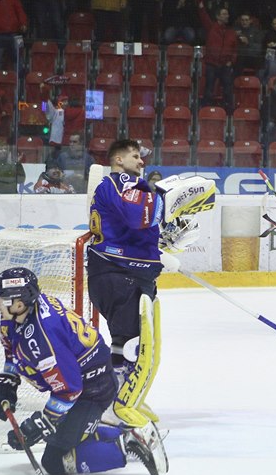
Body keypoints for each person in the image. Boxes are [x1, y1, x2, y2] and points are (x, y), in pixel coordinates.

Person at [0, 267, 168, 475]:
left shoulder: (42, 337)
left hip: (94, 390)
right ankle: (95, 429)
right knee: (56, 433)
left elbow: (69, 390)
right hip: (83, 381)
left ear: (18, 304)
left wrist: (43, 422)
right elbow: (11, 345)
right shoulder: (18, 314)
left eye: (2, 299)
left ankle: (128, 440)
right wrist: (9, 377)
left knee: (53, 461)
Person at [87, 139, 214, 429]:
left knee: (124, 343)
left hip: (121, 273)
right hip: (118, 273)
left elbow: (134, 228)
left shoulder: (130, 188)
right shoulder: (120, 181)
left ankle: (120, 396)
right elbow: (138, 218)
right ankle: (117, 407)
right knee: (134, 346)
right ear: (118, 160)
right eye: (134, 156)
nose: (141, 162)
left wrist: (162, 245)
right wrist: (166, 198)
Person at [197, 0, 238, 109]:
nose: (227, 16)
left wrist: (231, 61)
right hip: (212, 63)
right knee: (209, 86)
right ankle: (207, 106)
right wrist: (201, 4)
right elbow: (203, 16)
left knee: (227, 87)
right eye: (224, 14)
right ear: (218, 16)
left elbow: (235, 50)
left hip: (225, 64)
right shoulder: (211, 27)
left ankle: (228, 108)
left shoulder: (231, 32)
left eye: (227, 14)